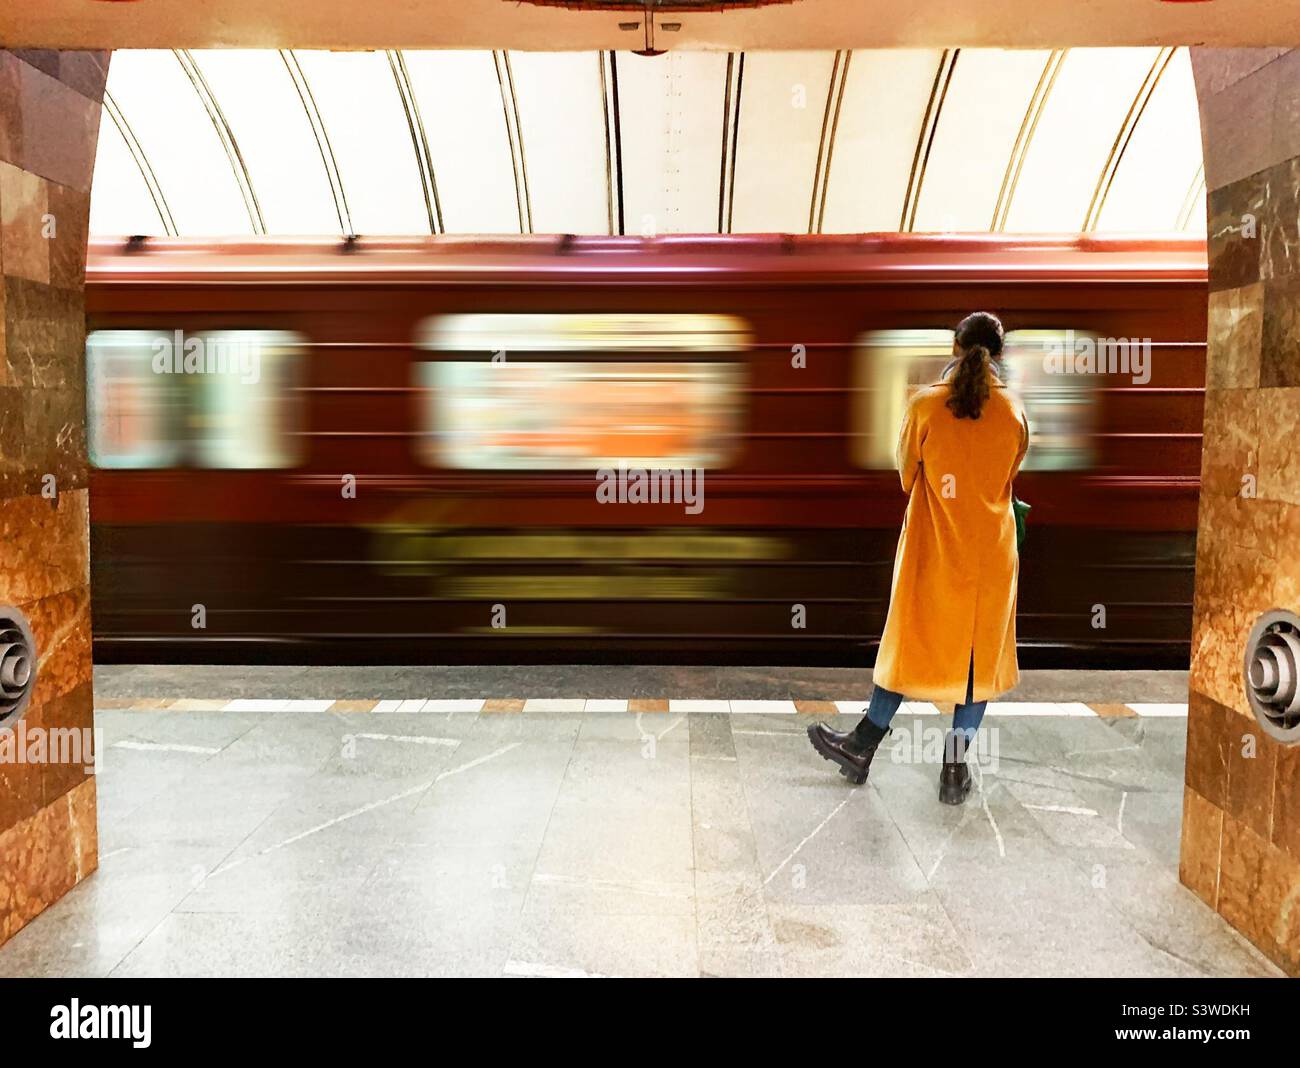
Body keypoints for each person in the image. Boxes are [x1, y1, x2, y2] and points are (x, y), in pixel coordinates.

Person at [807, 312, 1029, 805]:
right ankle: (953, 769)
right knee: (974, 663)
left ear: (956, 347)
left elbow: (907, 476)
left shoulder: (925, 407)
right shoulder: (1014, 413)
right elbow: (1010, 475)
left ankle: (862, 745)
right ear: (1000, 354)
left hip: (933, 548)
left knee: (910, 645)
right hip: (991, 556)